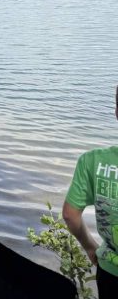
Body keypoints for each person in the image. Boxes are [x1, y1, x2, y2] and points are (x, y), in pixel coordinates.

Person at [63, 88, 118, 297]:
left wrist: (90, 246)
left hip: (110, 273)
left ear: (117, 112)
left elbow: (70, 214)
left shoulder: (92, 161)